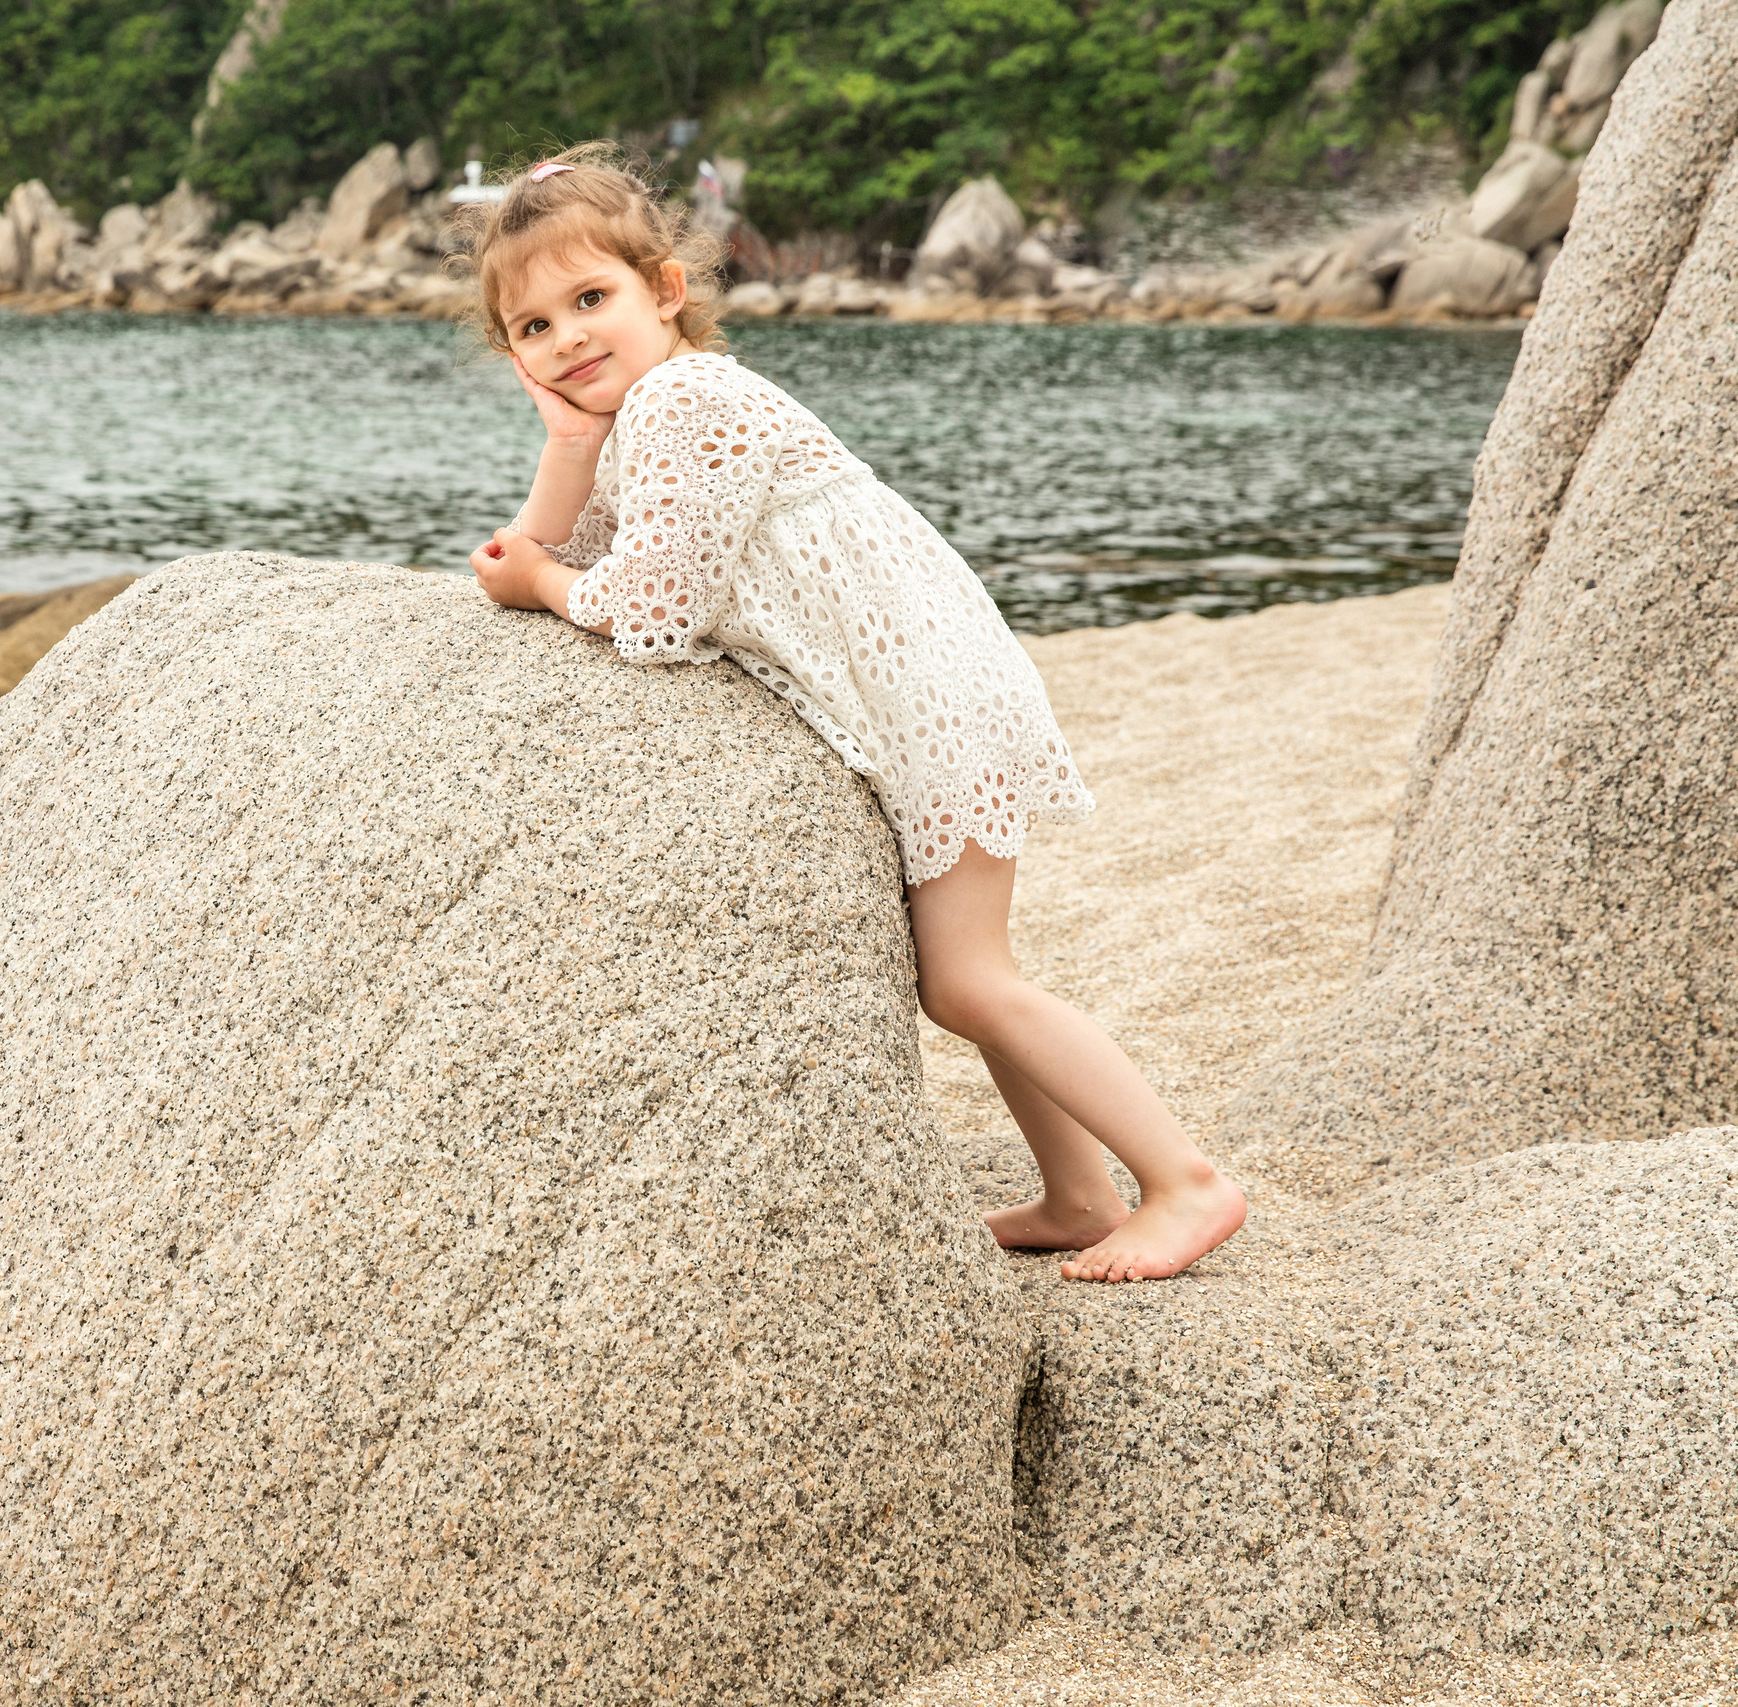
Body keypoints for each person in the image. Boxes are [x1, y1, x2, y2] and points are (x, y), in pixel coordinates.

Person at [459, 144, 1247, 1281]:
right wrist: (566, 446)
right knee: (968, 973)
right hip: (914, 682)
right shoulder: (642, 416)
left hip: (922, 690)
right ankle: (1078, 1193)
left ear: (665, 293)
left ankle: (1183, 1181)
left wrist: (535, 585)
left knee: (968, 979)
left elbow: (644, 601)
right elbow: (567, 545)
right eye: (533, 329)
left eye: (592, 300)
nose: (569, 338)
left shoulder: (685, 396)